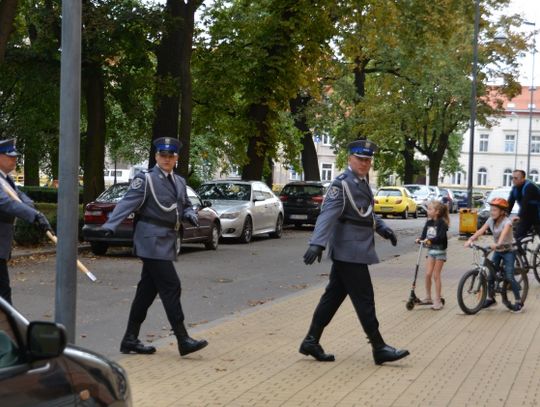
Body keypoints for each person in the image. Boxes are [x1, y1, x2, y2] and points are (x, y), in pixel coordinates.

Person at [96, 137, 208, 356]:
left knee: (147, 291)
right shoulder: (146, 179)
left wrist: (190, 214)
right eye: (163, 156)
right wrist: (110, 225)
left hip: (166, 239)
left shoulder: (179, 181)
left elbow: (183, 205)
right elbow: (128, 202)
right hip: (150, 239)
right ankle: (183, 338)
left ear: (176, 158)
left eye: (171, 156)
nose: (167, 159)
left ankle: (130, 339)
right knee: (171, 285)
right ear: (157, 157)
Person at [301, 139, 409, 365]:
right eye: (360, 159)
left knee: (332, 298)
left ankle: (311, 340)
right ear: (350, 158)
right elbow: (327, 214)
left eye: (368, 160)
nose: (365, 163)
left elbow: (365, 212)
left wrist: (383, 228)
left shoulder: (361, 182)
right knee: (365, 299)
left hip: (356, 250)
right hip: (349, 251)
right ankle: (379, 347)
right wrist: (317, 243)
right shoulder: (342, 184)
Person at [0, 139, 52, 304]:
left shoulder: (5, 179)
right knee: (4, 295)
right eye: (10, 156)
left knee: (3, 294)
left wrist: (33, 211)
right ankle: (9, 329)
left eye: (15, 156)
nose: (14, 160)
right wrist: (33, 215)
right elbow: (6, 203)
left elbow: (20, 197)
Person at [465, 198, 522, 313]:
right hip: (497, 251)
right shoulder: (490, 220)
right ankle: (491, 299)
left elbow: (504, 234)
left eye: (495, 210)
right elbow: (481, 230)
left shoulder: (507, 222)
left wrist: (498, 244)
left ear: (502, 212)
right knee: (491, 275)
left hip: (508, 251)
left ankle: (518, 301)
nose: (492, 212)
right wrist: (471, 239)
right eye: (491, 210)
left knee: (509, 276)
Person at [415, 201, 449, 310]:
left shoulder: (442, 223)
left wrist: (429, 241)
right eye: (428, 209)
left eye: (430, 209)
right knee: (428, 274)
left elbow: (441, 238)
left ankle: (438, 300)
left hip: (440, 252)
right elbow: (424, 236)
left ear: (437, 212)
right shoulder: (428, 223)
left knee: (436, 275)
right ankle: (428, 297)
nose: (428, 211)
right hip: (430, 252)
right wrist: (420, 239)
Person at [508, 169, 540, 240]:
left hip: (537, 215)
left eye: (516, 178)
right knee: (518, 237)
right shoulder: (514, 189)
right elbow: (510, 203)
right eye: (512, 178)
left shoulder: (529, 187)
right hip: (526, 215)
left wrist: (519, 216)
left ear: (523, 179)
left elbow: (525, 203)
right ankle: (520, 250)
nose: (513, 180)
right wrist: (504, 215)